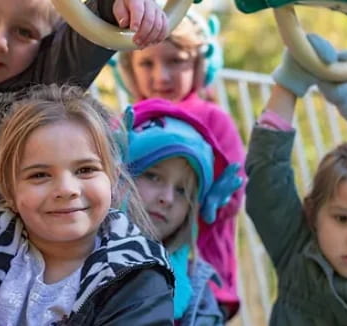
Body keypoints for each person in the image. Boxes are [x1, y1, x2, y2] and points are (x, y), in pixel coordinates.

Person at [0, 84, 175, 325]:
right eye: (40, 175)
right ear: (8, 188)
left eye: (85, 170)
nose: (66, 189)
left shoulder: (136, 278)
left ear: (113, 179)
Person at [0, 0, 169, 182]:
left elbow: (89, 30)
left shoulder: (48, 72)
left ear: (47, 41)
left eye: (24, 32)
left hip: (8, 238)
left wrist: (119, 4)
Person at [118, 12, 245, 317]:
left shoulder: (214, 118)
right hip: (131, 261)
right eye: (147, 63)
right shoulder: (129, 120)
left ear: (200, 65)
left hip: (200, 270)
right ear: (129, 69)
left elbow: (233, 194)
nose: (161, 76)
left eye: (176, 61)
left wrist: (196, 194)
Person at [245, 35, 347, 325]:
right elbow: (268, 176)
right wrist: (289, 84)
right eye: (342, 219)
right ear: (313, 215)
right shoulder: (297, 250)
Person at [123, 98, 242, 325]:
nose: (167, 198)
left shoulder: (201, 298)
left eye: (182, 191)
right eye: (153, 176)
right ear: (119, 175)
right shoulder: (72, 256)